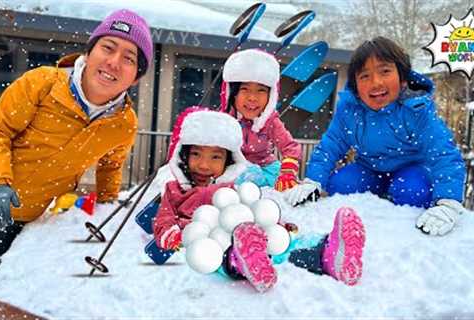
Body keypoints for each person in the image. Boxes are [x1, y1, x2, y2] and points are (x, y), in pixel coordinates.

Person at [0, 9, 153, 271]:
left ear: (136, 77)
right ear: (89, 53)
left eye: (128, 58)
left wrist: (106, 211)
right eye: (108, 47)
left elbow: (111, 167)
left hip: (29, 221)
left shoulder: (124, 123)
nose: (113, 62)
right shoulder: (41, 84)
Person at [153, 107, 366, 293]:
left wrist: (279, 226)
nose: (204, 165)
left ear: (229, 160)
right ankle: (241, 261)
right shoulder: (174, 190)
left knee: (284, 245)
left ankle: (328, 253)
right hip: (209, 239)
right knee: (213, 252)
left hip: (245, 233)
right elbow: (162, 222)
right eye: (196, 155)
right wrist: (173, 235)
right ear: (184, 156)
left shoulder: (233, 186)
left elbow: (256, 211)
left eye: (215, 157)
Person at [287, 36, 466, 236]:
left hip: (411, 168)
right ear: (355, 85)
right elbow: (330, 146)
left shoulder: (416, 110)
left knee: (412, 192)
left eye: (385, 71)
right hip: (369, 169)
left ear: (403, 78)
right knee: (339, 185)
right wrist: (313, 181)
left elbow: (443, 153)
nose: (376, 82)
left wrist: (447, 202)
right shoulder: (350, 110)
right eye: (364, 76)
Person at [219, 49, 302, 192]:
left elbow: (290, 147)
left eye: (261, 90)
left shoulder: (271, 121)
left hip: (267, 169)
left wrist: (287, 173)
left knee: (286, 187)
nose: (252, 97)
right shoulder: (224, 120)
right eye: (244, 89)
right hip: (234, 168)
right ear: (232, 93)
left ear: (271, 95)